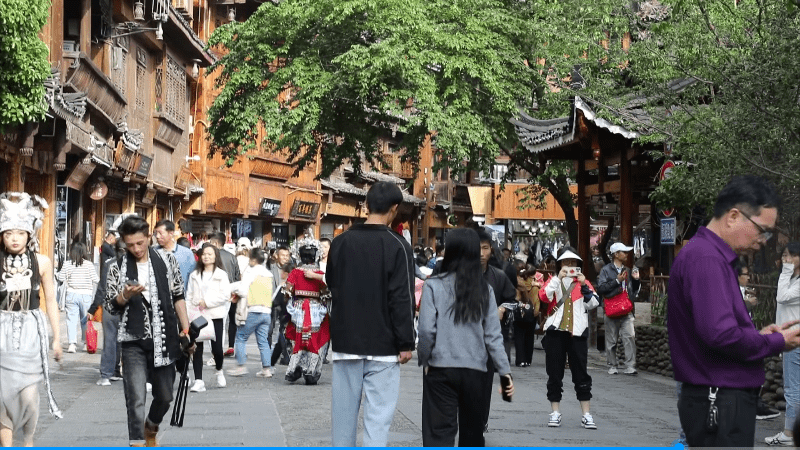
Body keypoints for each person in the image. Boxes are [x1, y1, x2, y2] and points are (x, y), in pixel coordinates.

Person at [667, 175, 800, 448]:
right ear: (733, 216)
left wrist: (759, 336)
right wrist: (776, 341)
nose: (764, 240)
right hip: (719, 397)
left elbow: (716, 329)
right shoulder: (707, 259)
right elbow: (720, 334)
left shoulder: (708, 255)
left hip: (717, 396)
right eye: (762, 230)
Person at [326, 181, 415, 447]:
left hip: (346, 341)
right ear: (394, 208)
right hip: (384, 345)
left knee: (342, 419)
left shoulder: (340, 242)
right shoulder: (398, 246)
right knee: (378, 420)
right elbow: (402, 297)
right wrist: (406, 342)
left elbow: (332, 283)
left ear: (366, 205)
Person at [417, 228, 514, 447]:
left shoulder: (433, 286)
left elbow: (426, 330)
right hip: (475, 371)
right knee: (472, 434)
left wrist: (424, 359)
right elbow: (493, 336)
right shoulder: (485, 289)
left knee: (439, 434)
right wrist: (505, 372)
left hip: (440, 368)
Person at [104, 215, 193, 447]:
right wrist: (125, 296)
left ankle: (151, 425)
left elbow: (178, 296)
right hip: (133, 341)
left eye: (140, 243)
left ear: (148, 237)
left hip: (165, 337)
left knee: (165, 396)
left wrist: (185, 329)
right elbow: (110, 306)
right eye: (130, 245)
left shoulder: (167, 260)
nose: (136, 249)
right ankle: (137, 442)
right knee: (135, 398)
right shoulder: (116, 266)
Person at [0, 192, 62, 446]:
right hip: (1, 330)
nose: (14, 238)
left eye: (20, 233)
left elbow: (51, 300)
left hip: (30, 330)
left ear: (29, 234)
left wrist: (57, 338)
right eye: (8, 233)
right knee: (3, 394)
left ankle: (28, 440)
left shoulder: (42, 262)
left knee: (28, 394)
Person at [539, 246, 600, 429]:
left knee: (581, 373)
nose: (569, 266)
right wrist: (557, 278)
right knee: (554, 372)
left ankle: (586, 414)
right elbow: (544, 296)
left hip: (577, 333)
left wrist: (583, 285)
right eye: (565, 262)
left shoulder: (583, 282)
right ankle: (555, 412)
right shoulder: (553, 280)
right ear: (559, 264)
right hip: (556, 332)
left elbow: (594, 303)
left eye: (573, 262)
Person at [476, 227, 516, 431]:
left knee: (484, 385)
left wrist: (502, 308)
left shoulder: (498, 276)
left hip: (489, 340)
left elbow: (513, 300)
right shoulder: (460, 275)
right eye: (477, 248)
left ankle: (481, 421)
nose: (481, 253)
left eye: (485, 248)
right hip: (464, 341)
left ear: (491, 249)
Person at [765, 242, 800, 446]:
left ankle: (789, 433)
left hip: (795, 341)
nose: (786, 260)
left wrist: (785, 270)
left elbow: (782, 297)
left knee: (792, 388)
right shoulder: (793, 279)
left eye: (791, 256)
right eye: (785, 256)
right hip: (791, 339)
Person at [283, 237, 330, 384]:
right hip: (316, 311)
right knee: (315, 339)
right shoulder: (319, 274)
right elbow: (326, 292)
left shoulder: (295, 272)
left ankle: (295, 368)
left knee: (297, 338)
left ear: (300, 255)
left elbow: (287, 291)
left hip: (298, 310)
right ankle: (311, 371)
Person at [185, 244, 231, 392]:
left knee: (217, 348)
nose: (206, 257)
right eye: (204, 254)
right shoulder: (194, 275)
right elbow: (188, 296)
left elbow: (225, 295)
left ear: (215, 256)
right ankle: (199, 380)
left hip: (215, 315)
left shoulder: (221, 275)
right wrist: (188, 313)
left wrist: (208, 302)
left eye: (210, 254)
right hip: (197, 315)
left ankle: (219, 370)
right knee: (197, 347)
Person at [228, 248, 275, 378]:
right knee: (263, 341)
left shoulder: (251, 271)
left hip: (253, 310)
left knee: (241, 337)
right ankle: (266, 369)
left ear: (253, 259)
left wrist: (233, 290)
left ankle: (241, 366)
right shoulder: (268, 274)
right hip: (266, 311)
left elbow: (243, 290)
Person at [596, 242, 640, 375]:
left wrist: (636, 280)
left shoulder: (628, 270)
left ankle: (630, 366)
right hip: (611, 309)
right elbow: (601, 288)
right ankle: (612, 365)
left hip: (626, 309)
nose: (626, 254)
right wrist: (617, 281)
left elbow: (633, 290)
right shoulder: (606, 270)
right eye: (623, 252)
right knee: (611, 340)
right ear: (616, 254)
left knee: (629, 337)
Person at [56, 242, 100, 353]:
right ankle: (85, 343)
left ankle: (72, 344)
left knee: (71, 320)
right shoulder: (89, 265)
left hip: (71, 294)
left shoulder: (67, 264)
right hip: (86, 295)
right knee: (85, 320)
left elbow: (61, 278)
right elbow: (96, 279)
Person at [91, 240, 124, 386]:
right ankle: (116, 370)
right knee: (122, 341)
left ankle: (106, 374)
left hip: (111, 306)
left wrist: (93, 308)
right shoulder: (135, 264)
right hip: (128, 307)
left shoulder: (110, 263)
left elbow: (102, 288)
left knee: (110, 340)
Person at [208, 232, 241, 358]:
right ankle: (230, 346)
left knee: (217, 324)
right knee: (230, 321)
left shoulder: (213, 256)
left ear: (216, 243)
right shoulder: (232, 257)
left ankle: (217, 352)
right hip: (231, 292)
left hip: (216, 294)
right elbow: (237, 276)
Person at [153, 219, 196, 292]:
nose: (157, 236)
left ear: (171, 233)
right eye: (155, 233)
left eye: (160, 233)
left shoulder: (187, 254)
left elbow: (193, 279)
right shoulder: (153, 252)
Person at [513, 268, 539, 367]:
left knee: (519, 337)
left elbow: (515, 298)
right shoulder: (535, 287)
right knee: (529, 337)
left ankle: (520, 360)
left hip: (519, 313)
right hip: (531, 314)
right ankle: (528, 359)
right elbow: (536, 301)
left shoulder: (517, 285)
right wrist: (536, 312)